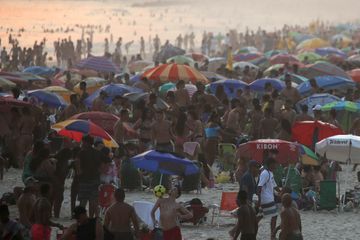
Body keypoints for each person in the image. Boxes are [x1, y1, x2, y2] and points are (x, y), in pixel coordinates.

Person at [76, 135, 103, 218]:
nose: (82, 143)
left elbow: (79, 170)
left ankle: (81, 218)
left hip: (84, 180)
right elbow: (101, 167)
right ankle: (94, 218)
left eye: (83, 141)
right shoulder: (98, 153)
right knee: (94, 201)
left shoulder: (81, 153)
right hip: (95, 179)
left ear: (87, 143)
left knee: (83, 201)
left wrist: (79, 173)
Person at [257, 157, 281, 240]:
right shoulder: (265, 173)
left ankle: (250, 229)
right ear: (270, 164)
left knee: (259, 217)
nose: (275, 165)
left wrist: (281, 191)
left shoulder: (270, 173)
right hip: (266, 199)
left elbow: (274, 185)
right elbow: (259, 187)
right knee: (274, 216)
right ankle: (272, 235)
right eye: (274, 164)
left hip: (268, 198)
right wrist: (259, 200)